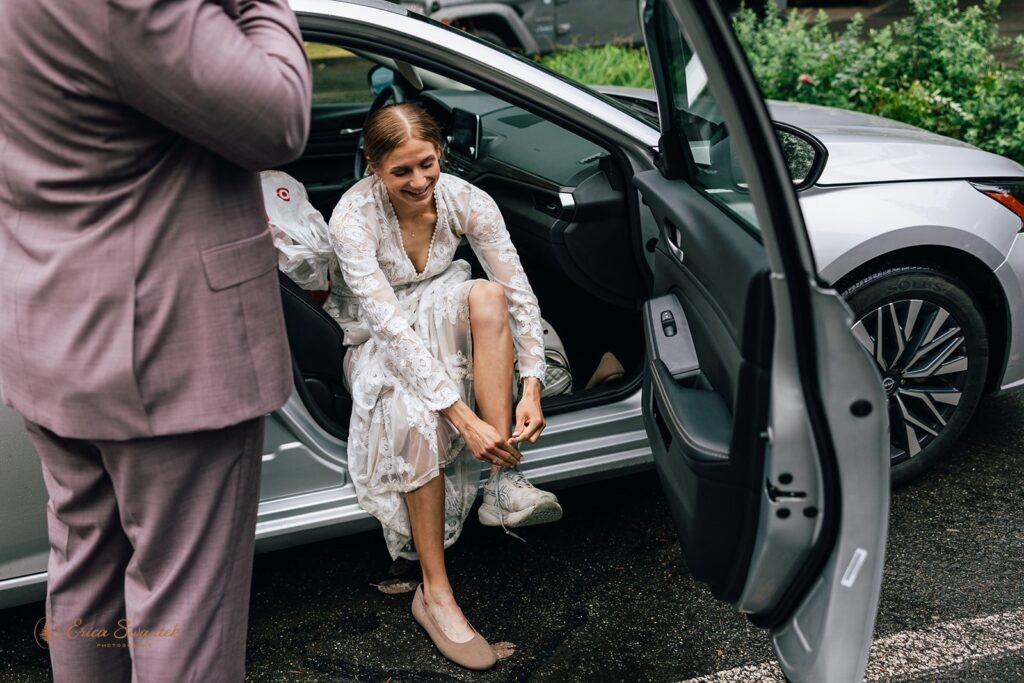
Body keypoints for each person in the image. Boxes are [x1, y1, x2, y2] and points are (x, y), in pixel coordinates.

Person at [0, 1, 311, 681]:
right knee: (183, 609)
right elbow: (281, 117)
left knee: (85, 575)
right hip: (165, 353)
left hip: (45, 330)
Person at [327, 103, 561, 670]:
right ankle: (436, 593)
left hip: (447, 307)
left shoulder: (464, 198)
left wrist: (530, 385)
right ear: (374, 167)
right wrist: (464, 417)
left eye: (427, 165)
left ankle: (506, 481)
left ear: (441, 154)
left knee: (488, 295)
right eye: (401, 171)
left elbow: (517, 290)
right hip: (378, 340)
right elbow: (389, 328)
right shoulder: (352, 218)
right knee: (412, 408)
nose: (419, 181)